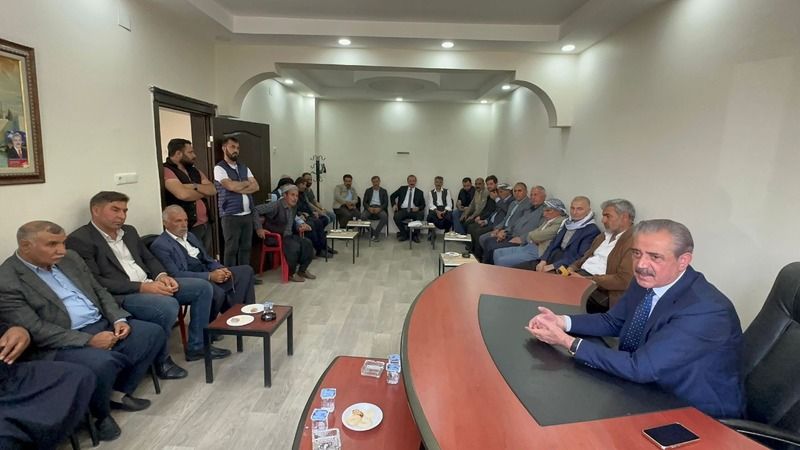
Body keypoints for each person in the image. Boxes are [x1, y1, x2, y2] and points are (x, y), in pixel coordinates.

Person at [526, 219, 744, 419]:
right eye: (636, 253)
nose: (641, 265)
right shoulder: (646, 281)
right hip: (644, 388)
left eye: (655, 257)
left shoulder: (705, 310)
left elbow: (640, 368)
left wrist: (566, 341)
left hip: (695, 412)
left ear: (683, 260)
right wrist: (562, 322)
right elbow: (614, 321)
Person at [0, 221, 167, 441]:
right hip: (60, 341)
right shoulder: (7, 279)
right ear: (26, 246)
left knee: (152, 333)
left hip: (100, 322)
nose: (62, 250)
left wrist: (117, 318)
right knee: (102, 363)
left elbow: (99, 291)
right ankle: (100, 415)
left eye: (62, 243)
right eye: (52, 244)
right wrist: (88, 340)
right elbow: (35, 329)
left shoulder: (70, 258)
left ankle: (113, 393)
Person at [66, 191, 230, 369]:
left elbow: (149, 258)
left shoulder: (129, 231)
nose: (121, 216)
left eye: (124, 210)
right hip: (122, 295)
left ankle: (197, 347)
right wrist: (142, 287)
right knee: (166, 305)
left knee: (203, 287)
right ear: (96, 210)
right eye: (115, 210)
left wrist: (162, 276)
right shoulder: (80, 239)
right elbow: (96, 282)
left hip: (151, 283)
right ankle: (161, 361)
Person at [150, 206, 256, 320]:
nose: (184, 224)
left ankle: (245, 313)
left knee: (246, 271)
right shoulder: (160, 245)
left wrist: (220, 268)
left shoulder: (190, 236)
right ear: (166, 223)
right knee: (217, 292)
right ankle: (220, 321)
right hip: (191, 280)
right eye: (178, 221)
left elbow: (207, 258)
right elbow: (175, 274)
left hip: (206, 271)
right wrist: (209, 276)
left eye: (185, 220)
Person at [0, 322, 96, 447]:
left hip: (9, 374)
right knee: (6, 438)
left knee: (79, 376)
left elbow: (7, 331)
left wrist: (18, 331)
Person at [568, 199, 636, 312]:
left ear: (624, 217)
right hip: (581, 276)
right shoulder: (603, 236)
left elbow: (624, 280)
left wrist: (587, 280)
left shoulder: (633, 241)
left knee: (560, 297)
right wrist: (572, 267)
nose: (603, 220)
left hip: (601, 290)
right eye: (603, 216)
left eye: (608, 216)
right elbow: (585, 257)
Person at [162, 138, 216, 253]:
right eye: (190, 152)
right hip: (188, 226)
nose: (194, 155)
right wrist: (203, 191)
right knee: (192, 257)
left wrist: (193, 186)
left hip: (205, 223)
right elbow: (183, 195)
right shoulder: (166, 170)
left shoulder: (193, 170)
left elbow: (212, 189)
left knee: (205, 256)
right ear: (178, 153)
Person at [214, 136, 260, 267]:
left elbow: (256, 186)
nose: (236, 150)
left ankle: (244, 274)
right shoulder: (219, 168)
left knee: (246, 247)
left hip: (247, 214)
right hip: (230, 215)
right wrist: (245, 183)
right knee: (231, 249)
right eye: (232, 147)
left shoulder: (243, 167)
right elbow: (230, 186)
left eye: (238, 148)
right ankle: (231, 276)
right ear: (224, 148)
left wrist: (237, 187)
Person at [255, 184, 316, 282]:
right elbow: (255, 210)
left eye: (296, 196)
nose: (295, 198)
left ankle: (302, 270)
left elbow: (290, 222)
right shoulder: (276, 205)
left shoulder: (293, 207)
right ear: (285, 195)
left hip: (287, 236)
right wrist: (259, 228)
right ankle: (291, 273)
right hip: (275, 237)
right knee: (294, 246)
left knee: (307, 243)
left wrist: (299, 226)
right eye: (292, 195)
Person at [479, 185, 547, 264]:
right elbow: (516, 223)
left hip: (522, 241)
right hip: (511, 234)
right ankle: (485, 266)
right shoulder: (529, 208)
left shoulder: (545, 212)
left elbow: (539, 230)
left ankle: (489, 267)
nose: (532, 197)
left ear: (544, 196)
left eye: (535, 195)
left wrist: (522, 239)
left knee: (492, 246)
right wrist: (505, 231)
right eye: (531, 195)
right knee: (488, 241)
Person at [533, 196, 601, 272]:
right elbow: (553, 243)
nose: (574, 212)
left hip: (566, 266)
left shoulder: (591, 230)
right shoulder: (567, 223)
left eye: (579, 209)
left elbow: (580, 256)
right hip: (551, 259)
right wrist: (543, 261)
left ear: (588, 211)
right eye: (572, 208)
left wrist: (553, 266)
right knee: (523, 267)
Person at [494, 198, 567, 268]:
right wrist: (533, 238)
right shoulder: (548, 220)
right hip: (528, 246)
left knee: (502, 261)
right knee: (497, 252)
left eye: (548, 211)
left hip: (537, 252)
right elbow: (533, 234)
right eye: (544, 211)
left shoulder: (560, 223)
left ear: (558, 211)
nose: (544, 214)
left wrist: (532, 237)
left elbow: (536, 236)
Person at [467, 182, 512, 253]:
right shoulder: (501, 200)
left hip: (497, 225)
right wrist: (486, 221)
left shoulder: (511, 201)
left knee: (478, 232)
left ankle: (477, 254)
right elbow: (494, 212)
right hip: (490, 221)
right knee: (471, 227)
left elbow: (507, 210)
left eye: (501, 192)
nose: (499, 194)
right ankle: (472, 249)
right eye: (499, 192)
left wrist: (497, 199)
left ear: (508, 191)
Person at [390, 174, 427, 243]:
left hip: (414, 210)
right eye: (410, 181)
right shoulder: (402, 189)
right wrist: (394, 204)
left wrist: (418, 208)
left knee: (420, 215)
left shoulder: (420, 192)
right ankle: (404, 234)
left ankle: (415, 235)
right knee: (396, 216)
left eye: (413, 181)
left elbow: (423, 205)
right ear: (407, 182)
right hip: (403, 210)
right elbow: (392, 196)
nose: (412, 182)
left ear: (415, 182)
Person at [361, 175, 389, 241]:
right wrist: (368, 208)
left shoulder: (384, 191)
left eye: (377, 181)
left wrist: (380, 209)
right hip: (370, 207)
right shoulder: (368, 190)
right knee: (362, 217)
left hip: (379, 208)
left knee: (384, 217)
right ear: (372, 182)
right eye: (374, 182)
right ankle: (374, 233)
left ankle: (375, 234)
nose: (375, 183)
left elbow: (386, 203)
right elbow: (364, 202)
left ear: (379, 182)